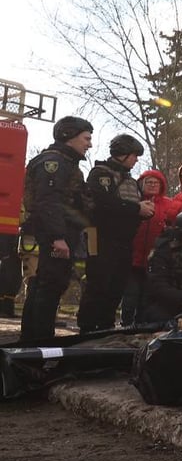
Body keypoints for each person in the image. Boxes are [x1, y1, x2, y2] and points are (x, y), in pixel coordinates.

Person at [19, 116, 94, 342]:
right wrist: (57, 237)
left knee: (45, 285)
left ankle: (33, 342)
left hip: (59, 233)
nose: (89, 144)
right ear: (68, 137)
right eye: (86, 138)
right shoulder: (54, 162)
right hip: (54, 235)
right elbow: (48, 201)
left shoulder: (64, 162)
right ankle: (40, 343)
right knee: (48, 287)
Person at [76, 134, 155, 333]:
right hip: (102, 238)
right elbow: (103, 203)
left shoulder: (130, 180)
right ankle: (86, 328)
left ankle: (106, 327)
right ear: (122, 154)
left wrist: (143, 211)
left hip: (124, 241)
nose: (136, 160)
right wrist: (136, 209)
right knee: (98, 284)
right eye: (134, 155)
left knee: (116, 287)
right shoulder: (101, 174)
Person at [120, 169, 172, 325]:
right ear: (141, 183)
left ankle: (141, 327)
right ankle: (126, 325)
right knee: (130, 297)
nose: (152, 185)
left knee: (146, 298)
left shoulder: (169, 205)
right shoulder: (133, 203)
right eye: (148, 182)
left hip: (154, 262)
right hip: (132, 259)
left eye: (156, 182)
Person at [0, 233, 20, 317]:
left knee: (14, 280)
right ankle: (2, 309)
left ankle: (8, 310)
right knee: (5, 278)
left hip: (14, 247)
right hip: (6, 246)